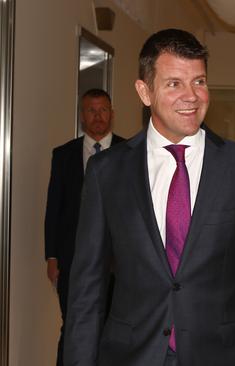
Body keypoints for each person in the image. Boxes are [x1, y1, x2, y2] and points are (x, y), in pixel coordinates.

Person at [64, 29, 235, 366]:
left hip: (220, 356)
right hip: (130, 355)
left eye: (199, 82)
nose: (192, 96)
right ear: (145, 91)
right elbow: (87, 290)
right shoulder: (107, 172)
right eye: (174, 83)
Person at [44, 88, 125, 366]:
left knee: (113, 328)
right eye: (91, 110)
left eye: (103, 110)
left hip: (120, 262)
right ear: (82, 116)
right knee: (74, 325)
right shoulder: (64, 155)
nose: (98, 116)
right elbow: (54, 208)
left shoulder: (131, 152)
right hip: (73, 259)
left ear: (112, 114)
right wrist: (51, 256)